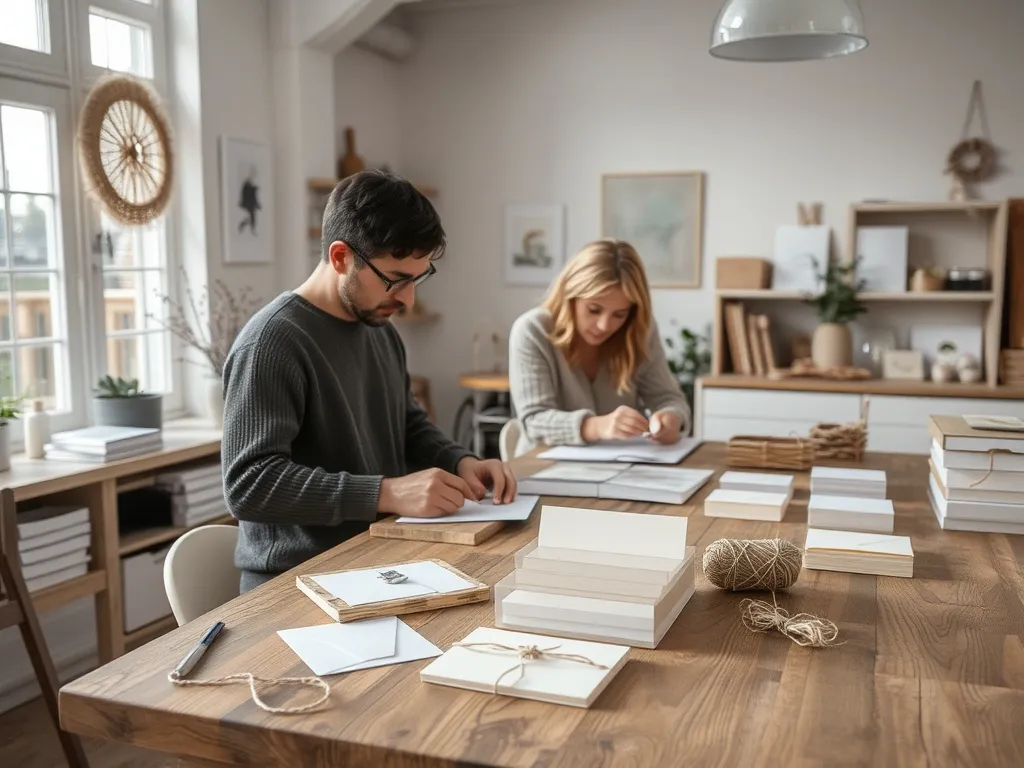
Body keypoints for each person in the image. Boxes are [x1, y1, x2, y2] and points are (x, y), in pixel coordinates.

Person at [222, 169, 517, 593]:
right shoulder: (271, 343)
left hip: (378, 560)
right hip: (294, 584)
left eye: (418, 278)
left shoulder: (381, 330)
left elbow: (406, 422)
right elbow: (250, 484)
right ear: (341, 257)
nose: (408, 298)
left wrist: (460, 461)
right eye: (395, 280)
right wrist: (386, 493)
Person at [508, 238, 691, 455]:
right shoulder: (532, 331)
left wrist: (672, 418)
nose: (605, 326)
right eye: (594, 309)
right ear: (570, 297)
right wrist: (596, 426)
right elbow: (534, 421)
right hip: (541, 468)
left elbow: (668, 398)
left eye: (619, 314)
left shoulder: (639, 330)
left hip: (620, 470)